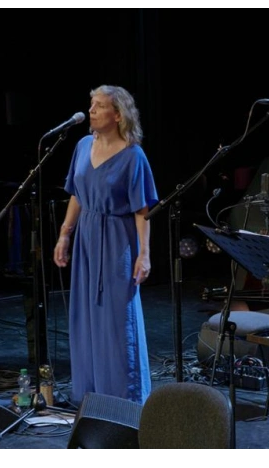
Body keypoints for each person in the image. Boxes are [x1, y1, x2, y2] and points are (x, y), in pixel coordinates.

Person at [53, 85, 158, 406]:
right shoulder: (83, 146)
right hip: (86, 239)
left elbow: (142, 210)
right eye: (92, 104)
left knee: (116, 320)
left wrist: (144, 254)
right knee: (85, 316)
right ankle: (91, 395)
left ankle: (125, 398)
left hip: (117, 242)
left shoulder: (133, 155)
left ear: (118, 115)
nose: (92, 110)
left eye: (99, 105)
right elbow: (77, 194)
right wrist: (65, 234)